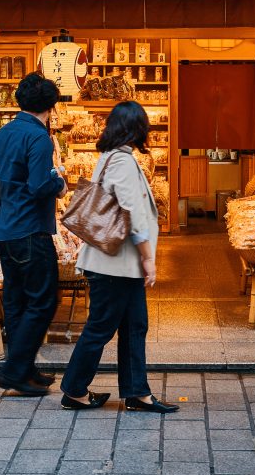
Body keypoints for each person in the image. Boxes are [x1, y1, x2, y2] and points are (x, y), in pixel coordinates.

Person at [60, 100, 178, 414]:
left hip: (115, 263)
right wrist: (148, 258)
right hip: (115, 263)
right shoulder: (123, 162)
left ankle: (137, 392)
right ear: (137, 129)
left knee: (135, 325)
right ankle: (74, 390)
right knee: (100, 327)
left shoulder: (109, 157)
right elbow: (133, 213)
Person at [0, 72, 68, 396]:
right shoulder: (38, 137)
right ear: (51, 106)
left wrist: (2, 215)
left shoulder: (3, 134)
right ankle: (16, 371)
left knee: (17, 302)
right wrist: (59, 185)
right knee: (44, 301)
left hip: (7, 232)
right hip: (32, 231)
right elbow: (38, 184)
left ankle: (25, 369)